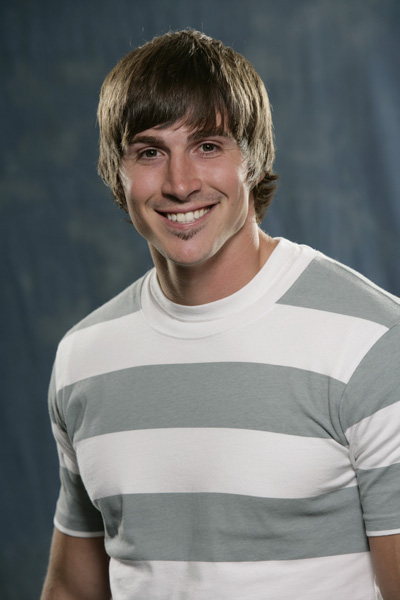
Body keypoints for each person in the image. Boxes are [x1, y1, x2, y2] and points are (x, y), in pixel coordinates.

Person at [41, 29, 400, 600]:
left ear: (253, 159)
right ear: (116, 171)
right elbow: (73, 587)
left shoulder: (374, 342)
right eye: (150, 152)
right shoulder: (83, 357)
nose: (180, 184)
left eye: (208, 146)